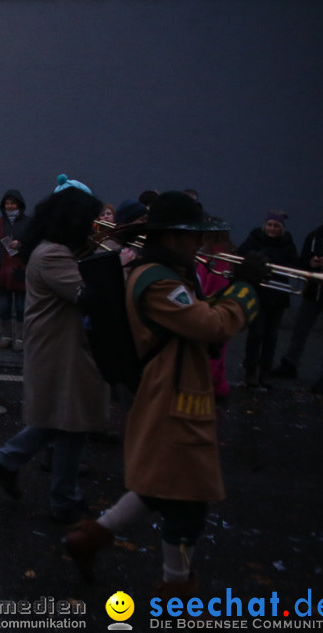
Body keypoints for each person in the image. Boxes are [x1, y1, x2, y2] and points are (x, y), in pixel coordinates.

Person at [65, 191, 264, 595]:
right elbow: (212, 326)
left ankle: (90, 537)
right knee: (187, 501)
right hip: (172, 399)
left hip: (178, 392)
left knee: (159, 485)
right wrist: (245, 290)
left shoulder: (168, 272)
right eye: (196, 237)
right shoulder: (156, 279)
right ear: (173, 237)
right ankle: (177, 590)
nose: (202, 246)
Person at [0, 178, 108, 525]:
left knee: (66, 419)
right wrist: (125, 263)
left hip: (63, 345)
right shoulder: (52, 253)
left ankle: (13, 463)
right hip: (59, 347)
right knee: (68, 419)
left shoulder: (59, 248)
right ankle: (61, 496)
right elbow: (87, 294)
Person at [272, 198, 323, 394]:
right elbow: (301, 263)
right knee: (300, 330)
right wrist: (312, 263)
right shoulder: (315, 235)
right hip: (312, 292)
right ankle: (289, 364)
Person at [235, 211, 298, 391]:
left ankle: (266, 371)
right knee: (256, 333)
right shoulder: (255, 238)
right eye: (269, 225)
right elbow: (242, 254)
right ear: (265, 226)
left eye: (276, 226)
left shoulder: (287, 243)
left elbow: (293, 265)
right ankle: (251, 370)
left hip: (277, 297)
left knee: (271, 336)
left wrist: (271, 260)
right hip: (257, 293)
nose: (272, 229)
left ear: (282, 229)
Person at [0, 189, 31, 350]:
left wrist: (22, 246)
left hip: (20, 269)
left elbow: (35, 244)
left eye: (12, 203)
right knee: (4, 305)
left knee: (20, 306)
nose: (9, 206)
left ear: (19, 204)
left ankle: (20, 337)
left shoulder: (28, 223)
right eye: (7, 203)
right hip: (3, 270)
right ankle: (6, 336)